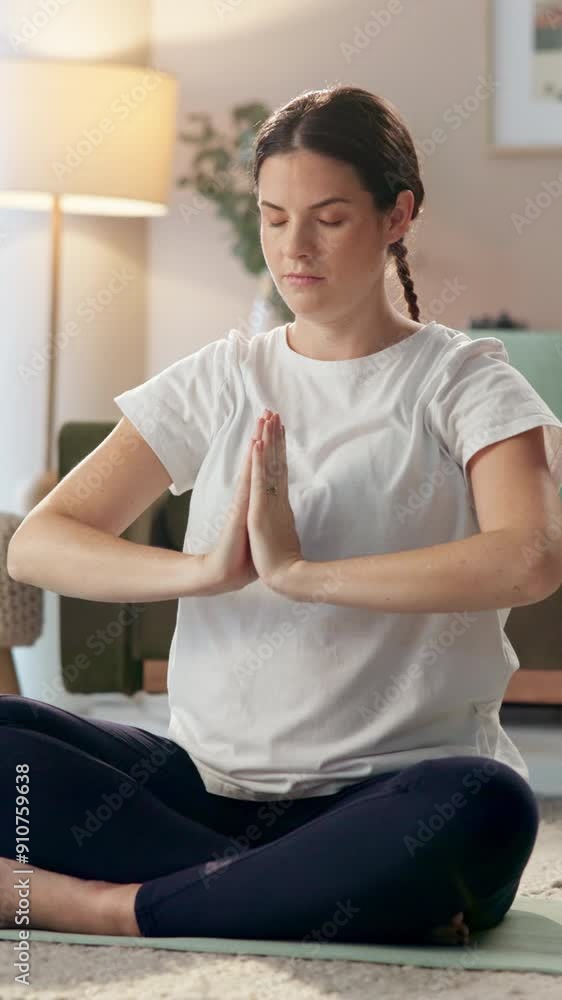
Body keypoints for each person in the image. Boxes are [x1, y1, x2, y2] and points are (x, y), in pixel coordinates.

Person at [3, 84, 562, 946]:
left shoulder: (463, 381)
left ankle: (100, 905)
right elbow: (39, 544)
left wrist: (301, 575)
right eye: (273, 217)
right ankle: (283, 892)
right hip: (206, 790)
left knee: (485, 807)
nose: (292, 247)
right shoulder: (220, 377)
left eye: (329, 219)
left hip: (393, 796)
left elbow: (529, 556)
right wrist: (203, 571)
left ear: (397, 215)